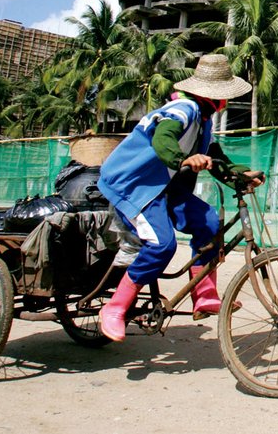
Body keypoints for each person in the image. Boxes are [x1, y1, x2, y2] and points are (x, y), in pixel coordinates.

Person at [97, 53, 263, 341]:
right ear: (214, 96)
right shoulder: (182, 109)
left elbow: (216, 160)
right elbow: (164, 139)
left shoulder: (204, 122)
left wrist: (242, 174)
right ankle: (114, 308)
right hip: (134, 185)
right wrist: (183, 160)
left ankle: (204, 295)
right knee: (162, 245)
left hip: (165, 186)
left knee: (209, 223)